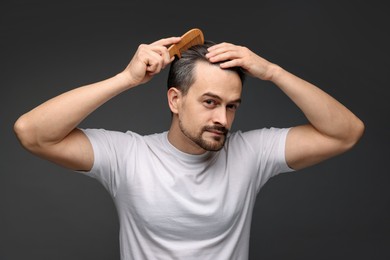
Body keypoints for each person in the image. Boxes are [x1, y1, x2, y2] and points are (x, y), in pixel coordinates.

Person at [14, 34, 364, 260]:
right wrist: (126, 79)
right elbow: (32, 132)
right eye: (210, 102)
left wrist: (273, 71)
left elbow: (345, 133)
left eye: (231, 106)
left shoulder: (250, 154)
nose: (223, 120)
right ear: (175, 100)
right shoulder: (129, 156)